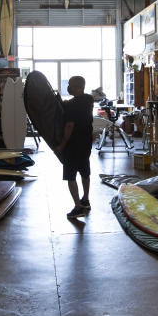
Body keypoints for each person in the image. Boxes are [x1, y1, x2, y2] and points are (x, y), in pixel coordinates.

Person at [55, 75, 94, 219]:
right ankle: (86, 199)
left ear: (78, 87)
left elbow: (69, 125)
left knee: (71, 176)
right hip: (86, 142)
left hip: (73, 144)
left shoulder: (71, 105)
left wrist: (62, 145)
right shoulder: (89, 99)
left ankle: (78, 207)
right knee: (85, 171)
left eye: (70, 85)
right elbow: (80, 108)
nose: (68, 87)